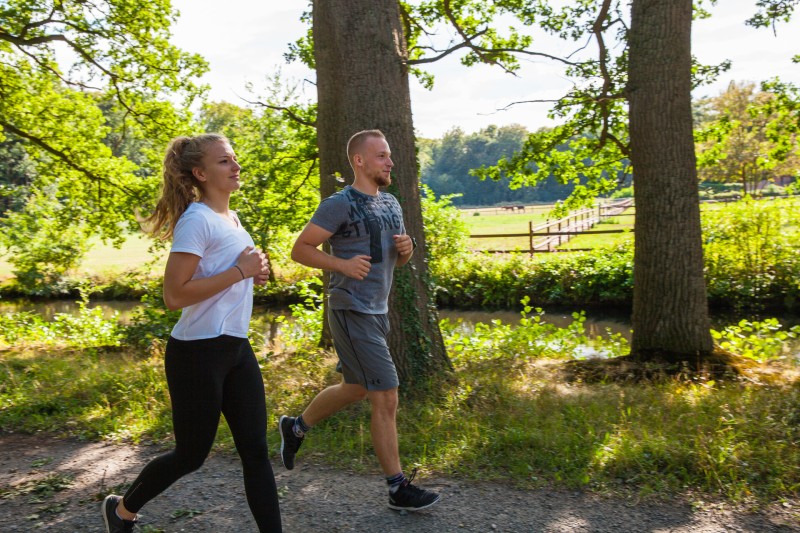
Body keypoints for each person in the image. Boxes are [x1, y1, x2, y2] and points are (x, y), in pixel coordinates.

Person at [101, 133, 282, 532]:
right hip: (197, 354)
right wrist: (239, 271)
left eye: (234, 158)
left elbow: (226, 277)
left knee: (256, 451)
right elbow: (174, 295)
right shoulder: (196, 220)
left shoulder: (232, 219)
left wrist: (253, 275)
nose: (235, 166)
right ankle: (123, 510)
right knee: (191, 455)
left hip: (236, 349)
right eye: (224, 161)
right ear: (200, 173)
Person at [278, 129, 440, 512]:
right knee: (386, 394)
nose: (390, 162)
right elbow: (300, 249)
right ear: (360, 161)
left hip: (378, 311)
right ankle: (398, 488)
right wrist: (342, 265)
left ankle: (295, 427)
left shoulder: (391, 204)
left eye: (389, 155)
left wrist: (408, 248)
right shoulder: (340, 204)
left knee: (354, 387)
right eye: (382, 156)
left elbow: (399, 259)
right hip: (351, 309)